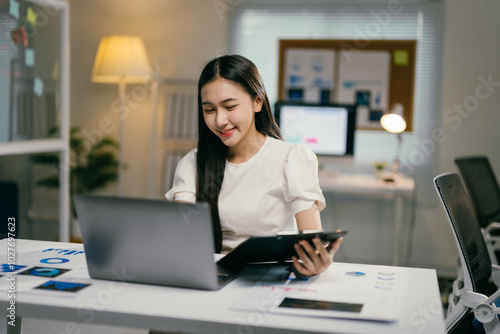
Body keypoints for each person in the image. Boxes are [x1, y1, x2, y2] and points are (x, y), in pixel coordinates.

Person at [166, 54, 342, 277]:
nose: (219, 120)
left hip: (272, 276)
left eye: (230, 106)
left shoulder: (292, 158)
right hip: (212, 276)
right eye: (209, 110)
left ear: (257, 101)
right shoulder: (193, 162)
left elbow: (311, 239)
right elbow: (180, 236)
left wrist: (315, 261)